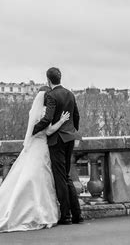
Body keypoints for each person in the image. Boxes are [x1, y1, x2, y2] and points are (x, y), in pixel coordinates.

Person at [0, 92, 70, 234]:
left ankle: (29, 211)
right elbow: (48, 131)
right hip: (42, 147)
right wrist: (61, 121)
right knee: (42, 181)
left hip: (33, 147)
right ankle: (42, 212)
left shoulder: (34, 112)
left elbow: (34, 130)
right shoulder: (45, 112)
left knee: (31, 179)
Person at [32, 66, 83, 225]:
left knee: (60, 178)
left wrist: (33, 131)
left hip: (57, 140)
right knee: (66, 176)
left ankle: (66, 216)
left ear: (48, 80)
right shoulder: (70, 93)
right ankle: (77, 215)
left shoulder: (52, 96)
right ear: (60, 78)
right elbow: (76, 116)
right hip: (69, 138)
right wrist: (71, 130)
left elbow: (47, 119)